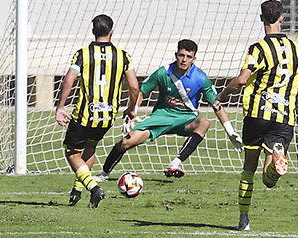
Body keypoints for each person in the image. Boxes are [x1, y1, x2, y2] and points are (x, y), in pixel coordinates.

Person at [222, 0, 298, 232]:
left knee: (249, 168)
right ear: (282, 18)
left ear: (261, 18)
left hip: (257, 115)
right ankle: (276, 161)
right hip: (284, 117)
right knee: (268, 180)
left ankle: (244, 220)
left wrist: (222, 94)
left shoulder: (258, 48)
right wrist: (296, 102)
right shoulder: (297, 49)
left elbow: (242, 80)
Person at [100, 38, 240, 180]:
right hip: (161, 117)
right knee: (125, 143)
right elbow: (142, 92)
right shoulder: (163, 72)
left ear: (194, 59)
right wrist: (133, 111)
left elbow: (216, 104)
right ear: (176, 55)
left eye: (188, 57)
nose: (184, 60)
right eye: (181, 55)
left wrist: (230, 130)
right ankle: (103, 174)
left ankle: (176, 163)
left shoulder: (200, 78)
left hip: (185, 119)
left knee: (204, 122)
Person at [54, 13, 140, 208]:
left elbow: (69, 79)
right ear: (112, 32)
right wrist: (131, 109)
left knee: (72, 153)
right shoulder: (123, 56)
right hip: (108, 116)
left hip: (85, 114)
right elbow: (134, 87)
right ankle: (77, 190)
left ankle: (94, 188)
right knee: (91, 145)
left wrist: (60, 107)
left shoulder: (83, 54)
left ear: (93, 31)